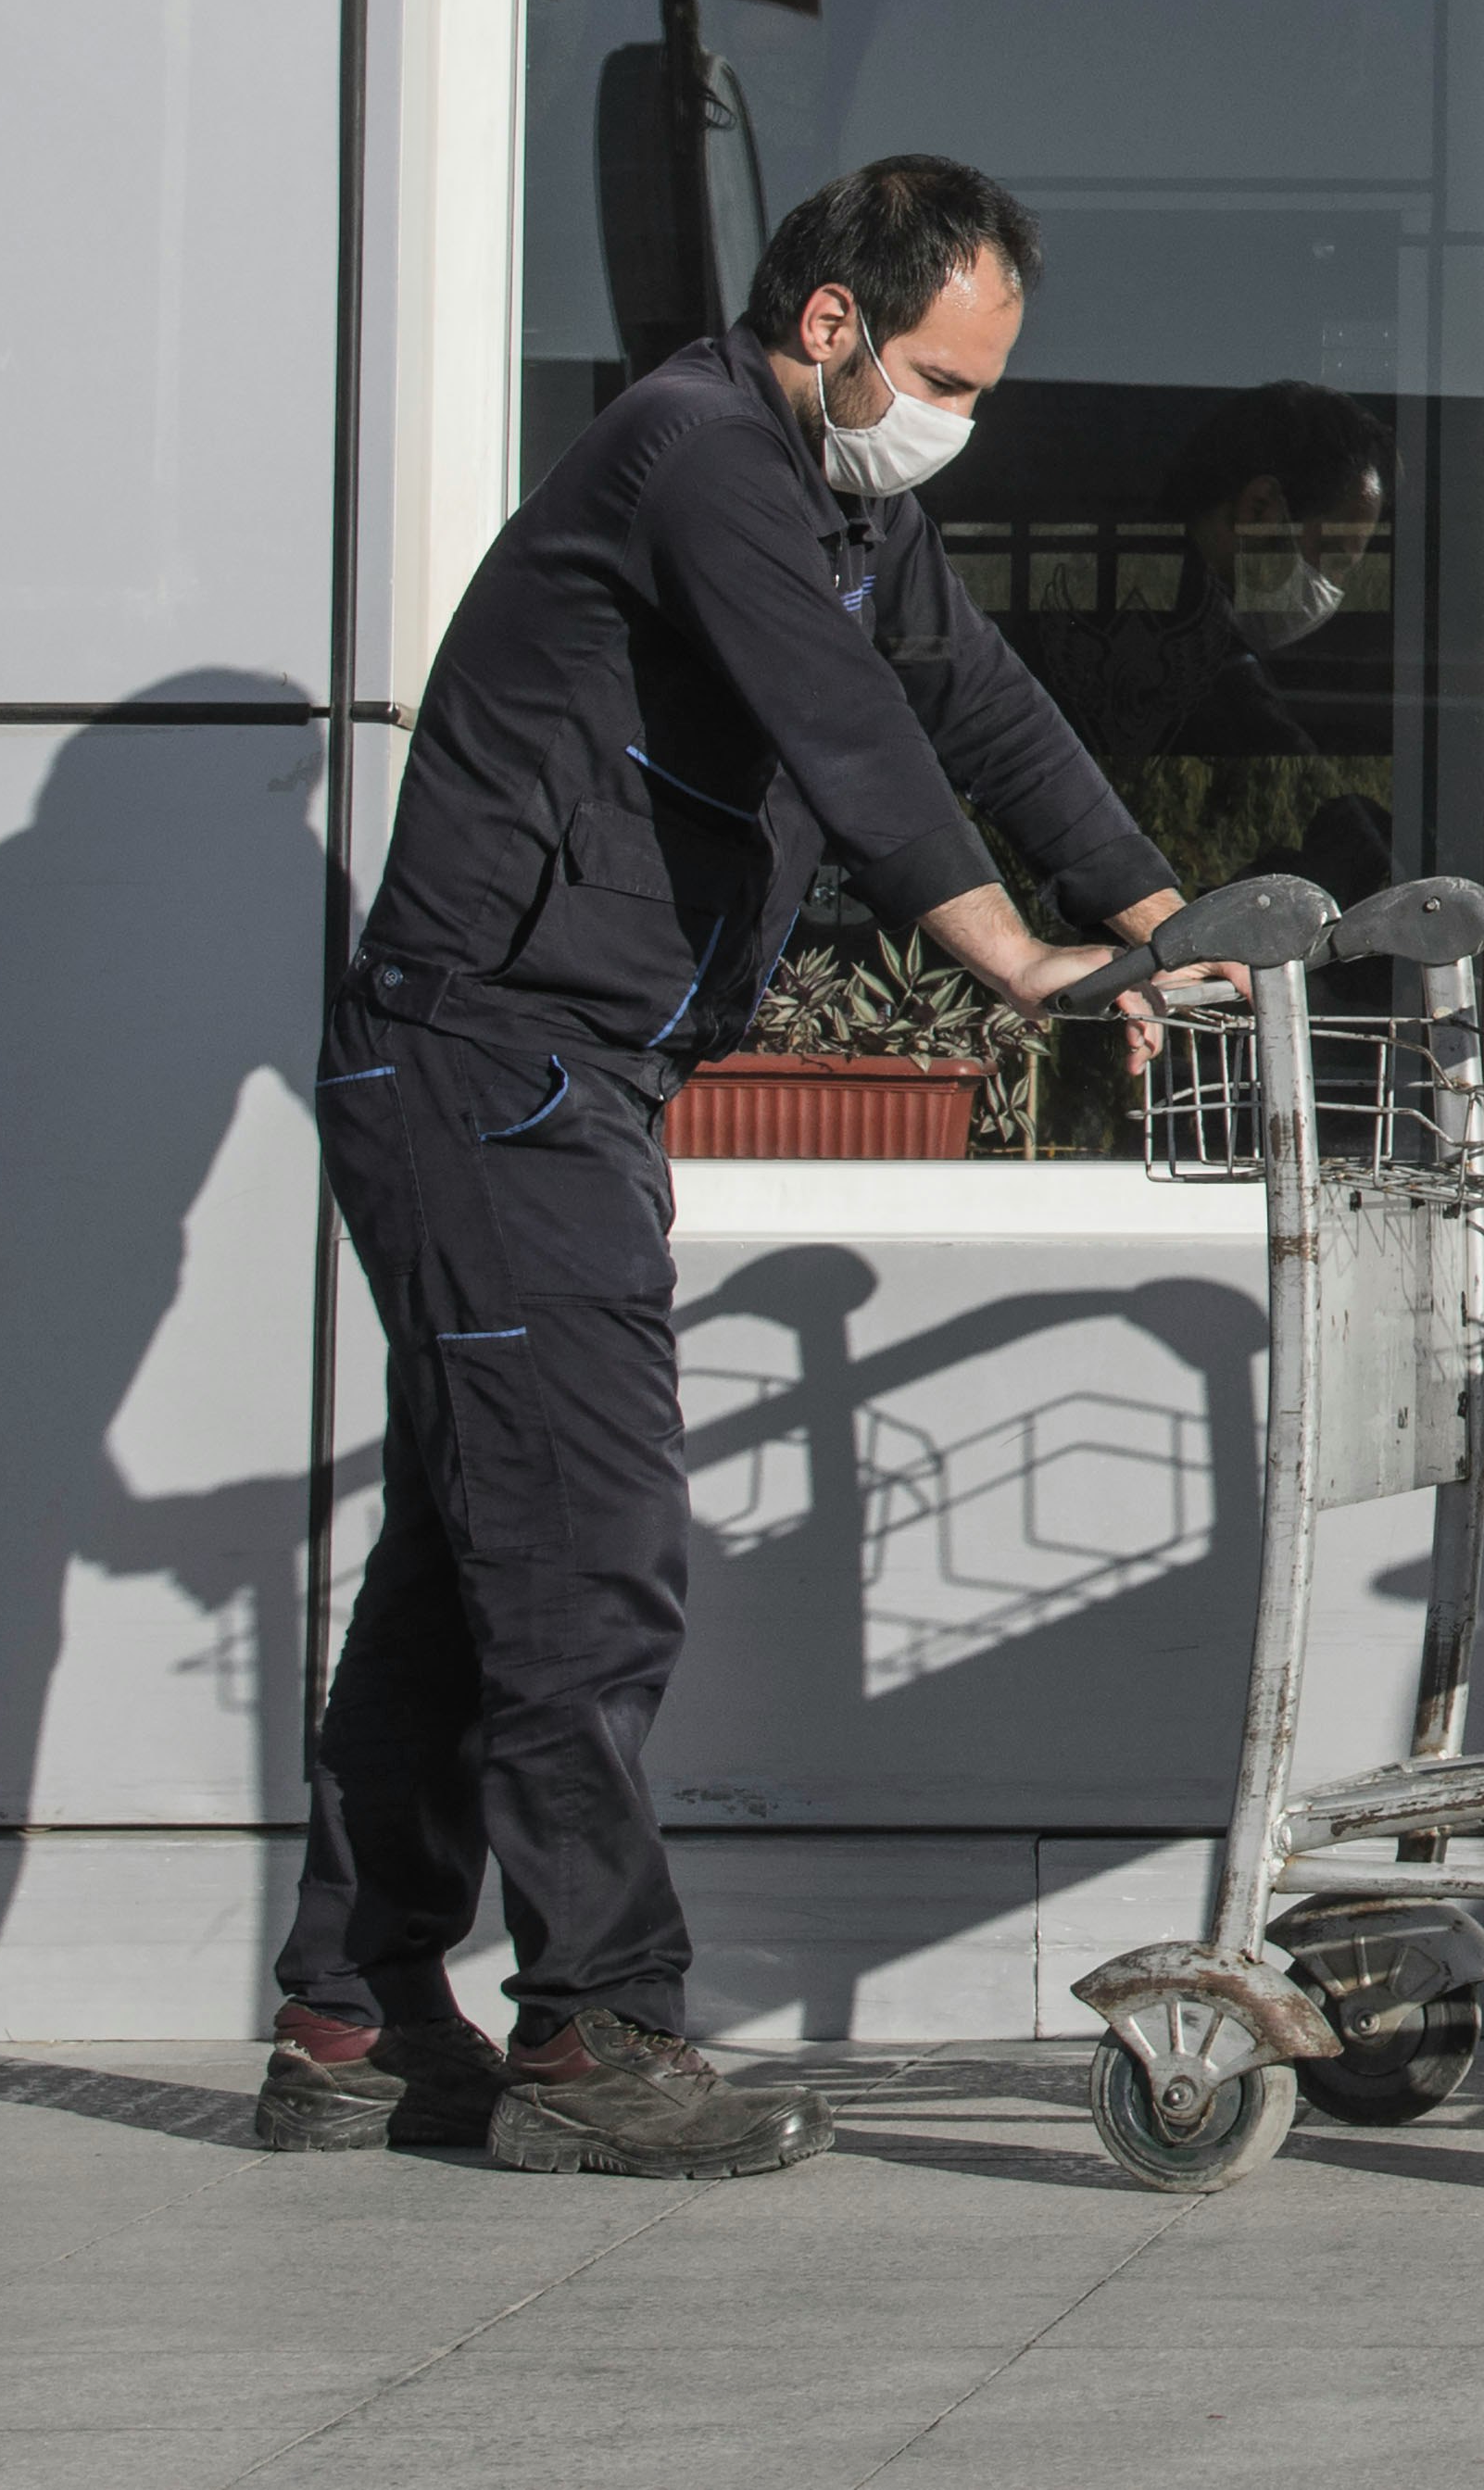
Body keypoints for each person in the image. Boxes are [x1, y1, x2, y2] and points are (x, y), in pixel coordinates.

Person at [258, 156, 1190, 2178]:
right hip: (489, 1065)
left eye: (991, 387)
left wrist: (1155, 912)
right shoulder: (694, 455)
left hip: (564, 1076)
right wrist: (1015, 952)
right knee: (587, 1546)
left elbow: (985, 705)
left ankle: (348, 2015)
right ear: (835, 324)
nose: (965, 417)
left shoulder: (853, 508)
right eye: (947, 371)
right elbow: (849, 734)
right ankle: (596, 2030)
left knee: (472, 1549)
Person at [1023, 378, 1400, 901]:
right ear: (1262, 507)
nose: (1331, 587)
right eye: (1332, 554)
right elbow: (1291, 779)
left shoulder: (1140, 584)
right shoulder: (1180, 636)